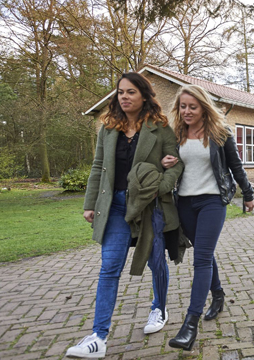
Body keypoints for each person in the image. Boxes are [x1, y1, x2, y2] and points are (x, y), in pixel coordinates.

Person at [67, 72, 183, 359]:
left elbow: (175, 164)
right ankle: (98, 336)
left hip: (149, 206)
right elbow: (98, 168)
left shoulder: (160, 127)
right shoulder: (108, 129)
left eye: (131, 92)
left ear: (144, 95)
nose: (124, 97)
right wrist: (90, 203)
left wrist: (161, 188)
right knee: (109, 267)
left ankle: (159, 307)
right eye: (120, 92)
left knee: (156, 261)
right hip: (116, 206)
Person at [162, 85, 254, 351]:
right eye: (183, 106)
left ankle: (189, 326)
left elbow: (236, 166)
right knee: (205, 253)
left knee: (201, 258)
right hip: (185, 203)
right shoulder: (176, 133)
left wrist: (247, 194)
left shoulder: (220, 133)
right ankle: (218, 295)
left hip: (213, 201)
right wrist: (164, 162)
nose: (187, 111)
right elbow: (166, 162)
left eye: (193, 106)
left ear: (203, 106)